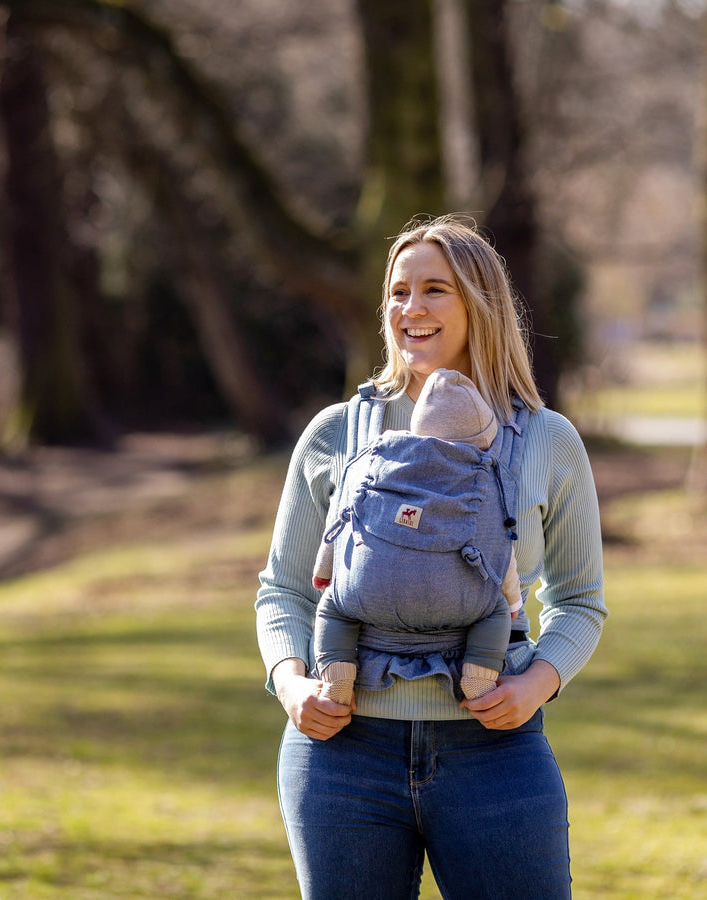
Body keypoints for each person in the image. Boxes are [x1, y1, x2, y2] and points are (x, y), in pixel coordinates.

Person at [255, 215, 606, 899]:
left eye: (434, 290)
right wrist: (293, 685)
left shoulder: (546, 440)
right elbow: (285, 591)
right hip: (341, 760)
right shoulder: (336, 433)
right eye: (398, 292)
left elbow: (579, 601)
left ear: (480, 304)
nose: (410, 309)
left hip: (496, 757)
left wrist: (535, 685)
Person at [311, 367, 524, 706]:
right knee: (494, 610)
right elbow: (500, 553)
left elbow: (344, 520)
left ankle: (337, 681)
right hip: (457, 600)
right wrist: (511, 603)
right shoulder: (484, 479)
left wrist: (325, 573)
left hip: (371, 589)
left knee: (335, 605)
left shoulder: (381, 457)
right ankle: (479, 682)